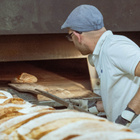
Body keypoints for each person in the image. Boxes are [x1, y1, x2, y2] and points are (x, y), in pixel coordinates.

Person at [61, 4, 140, 133]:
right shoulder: (103, 52)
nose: (72, 40)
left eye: (70, 36)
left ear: (77, 36)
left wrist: (128, 115)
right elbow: (125, 92)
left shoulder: (114, 47)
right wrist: (95, 107)